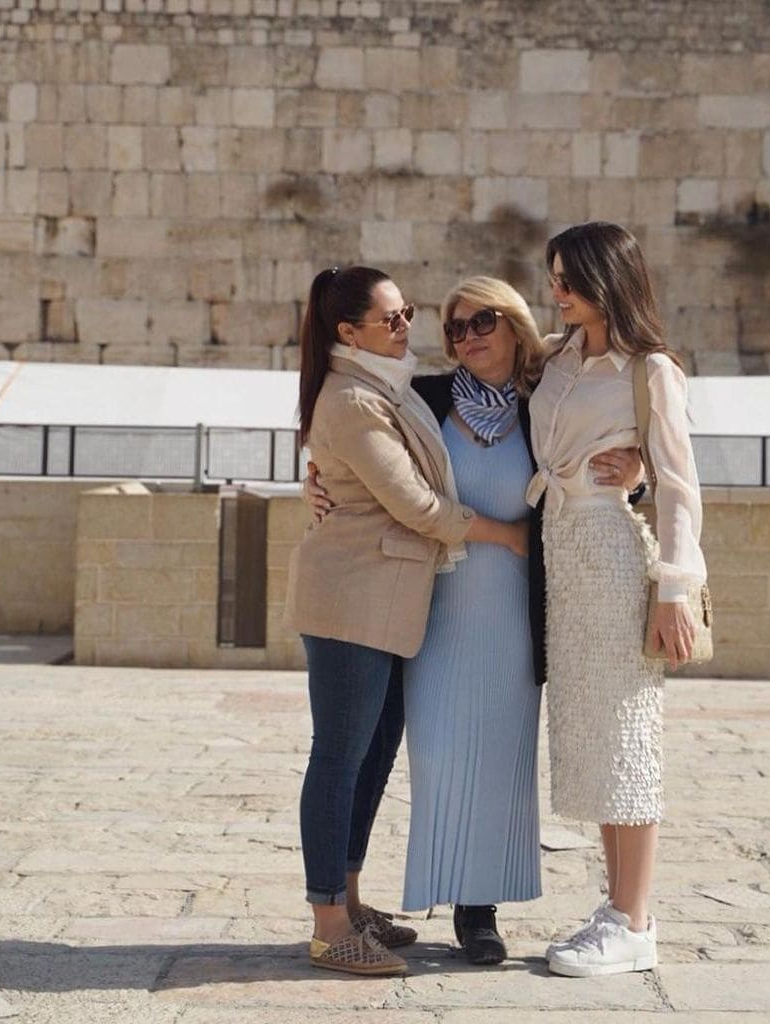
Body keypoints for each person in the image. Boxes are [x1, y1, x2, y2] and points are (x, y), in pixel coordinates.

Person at [302, 276, 644, 965]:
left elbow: (609, 439)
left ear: (513, 323)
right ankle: (371, 903)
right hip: (428, 603)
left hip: (515, 605)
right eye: (455, 328)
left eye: (482, 321)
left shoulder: (544, 399)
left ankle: (477, 910)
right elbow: (369, 468)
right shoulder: (419, 397)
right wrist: (314, 481)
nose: (467, 337)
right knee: (427, 754)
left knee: (501, 755)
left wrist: (637, 469)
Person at [285, 265, 528, 977]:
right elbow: (416, 506)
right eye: (391, 317)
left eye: (407, 312)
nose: (407, 325)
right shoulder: (355, 399)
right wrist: (508, 536)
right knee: (338, 758)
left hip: (387, 601)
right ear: (347, 331)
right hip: (353, 595)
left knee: (369, 754)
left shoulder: (382, 388)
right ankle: (331, 924)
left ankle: (351, 901)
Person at [526, 222, 707, 978]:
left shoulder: (651, 370)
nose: (556, 290)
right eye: (554, 277)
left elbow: (679, 487)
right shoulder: (555, 359)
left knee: (629, 736)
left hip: (611, 553)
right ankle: (617, 908)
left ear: (608, 279)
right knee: (597, 741)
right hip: (559, 554)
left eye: (569, 278)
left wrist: (673, 590)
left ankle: (635, 919)